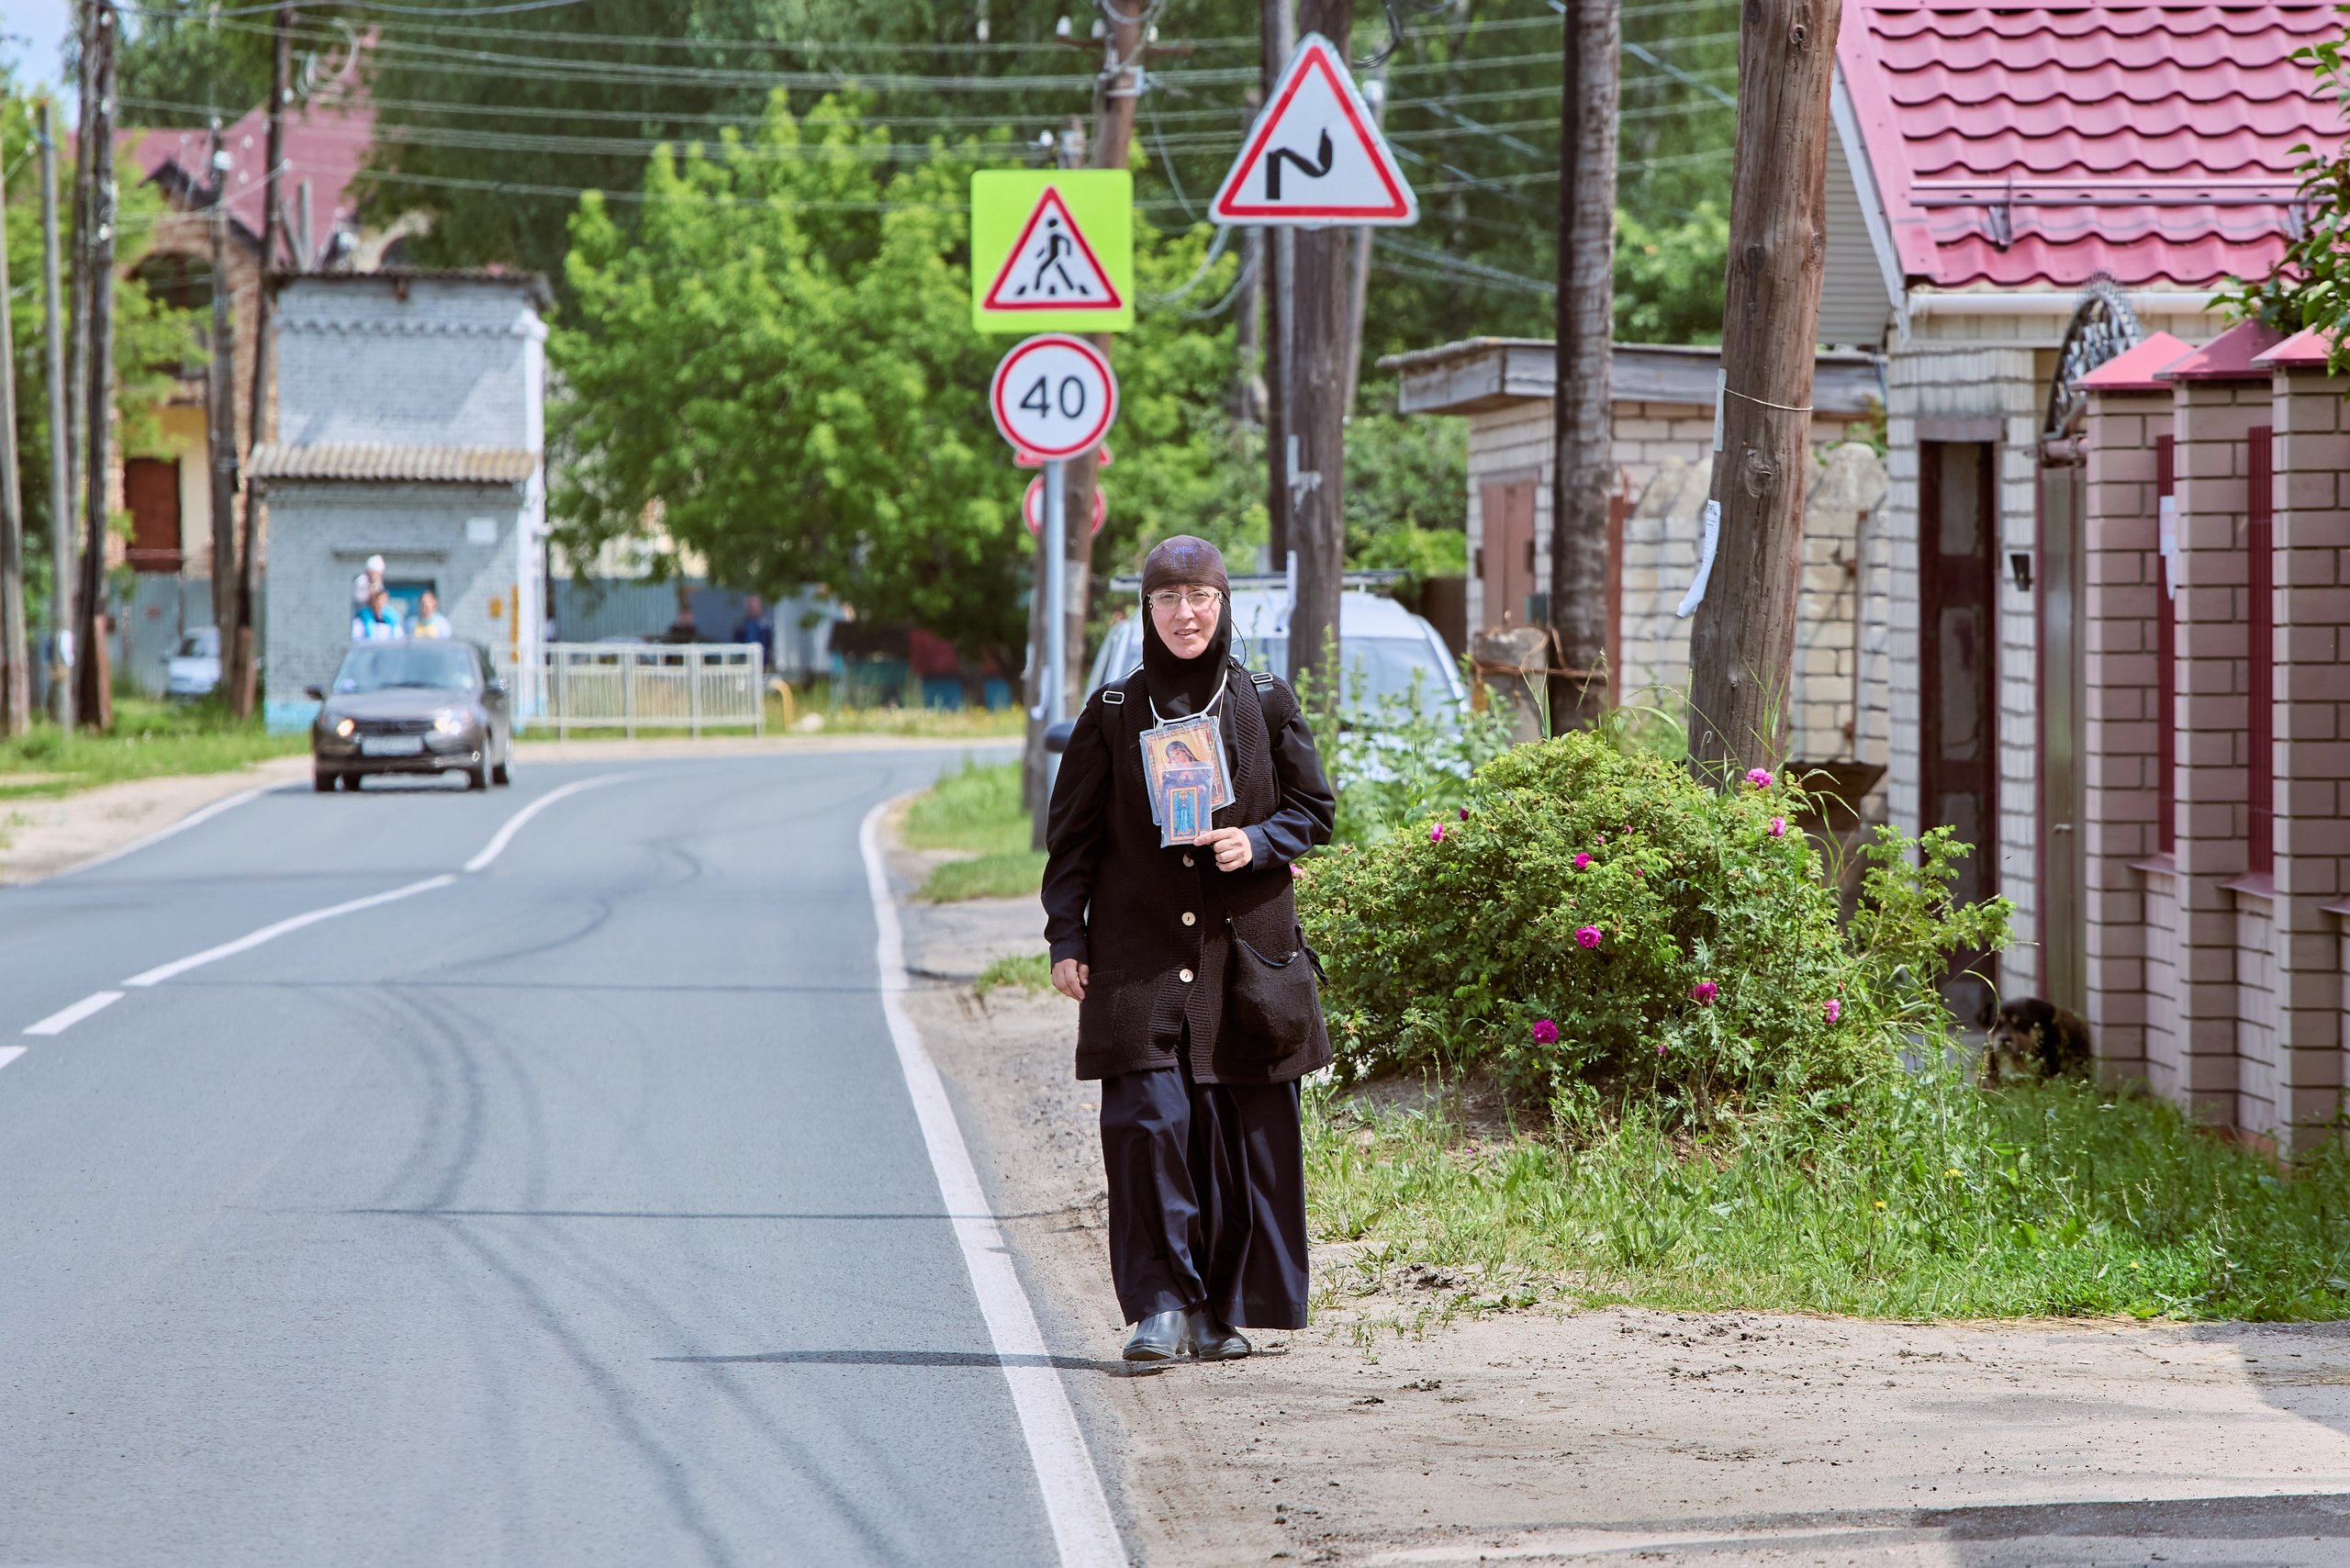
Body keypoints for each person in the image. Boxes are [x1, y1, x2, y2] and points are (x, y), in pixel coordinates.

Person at [1042, 535, 1337, 1363]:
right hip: (1136, 963)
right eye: (1167, 599)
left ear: (1223, 604)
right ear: (1147, 610)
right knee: (1148, 1125)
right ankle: (1161, 1307)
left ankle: (1218, 1309)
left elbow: (1316, 810)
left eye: (1199, 597)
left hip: (1242, 961)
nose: (1185, 614)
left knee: (1229, 1133)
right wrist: (1067, 937)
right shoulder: (1110, 714)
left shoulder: (1268, 702)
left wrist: (1261, 840)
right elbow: (1068, 848)